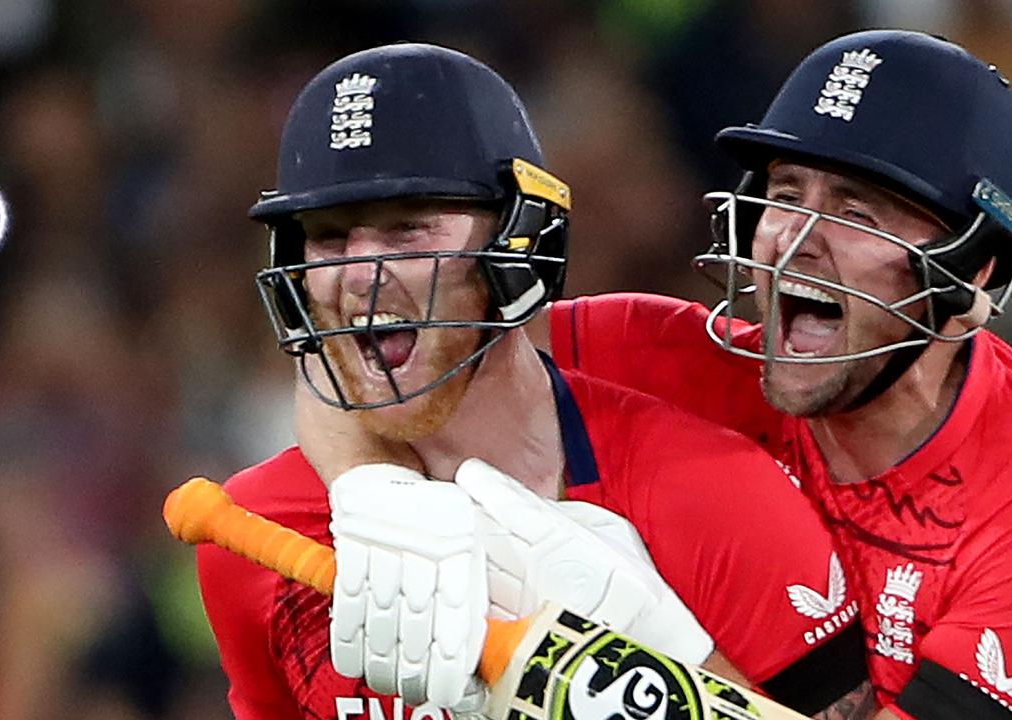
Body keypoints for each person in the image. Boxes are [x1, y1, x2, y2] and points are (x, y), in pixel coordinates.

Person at [194, 43, 868, 720]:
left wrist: (679, 685)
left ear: (519, 242)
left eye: (409, 229)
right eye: (329, 237)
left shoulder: (715, 495)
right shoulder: (255, 533)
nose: (361, 275)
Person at [535, 29, 1012, 718]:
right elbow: (446, 356)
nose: (793, 241)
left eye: (854, 211)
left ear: (974, 272)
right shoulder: (659, 356)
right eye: (785, 193)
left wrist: (648, 674)